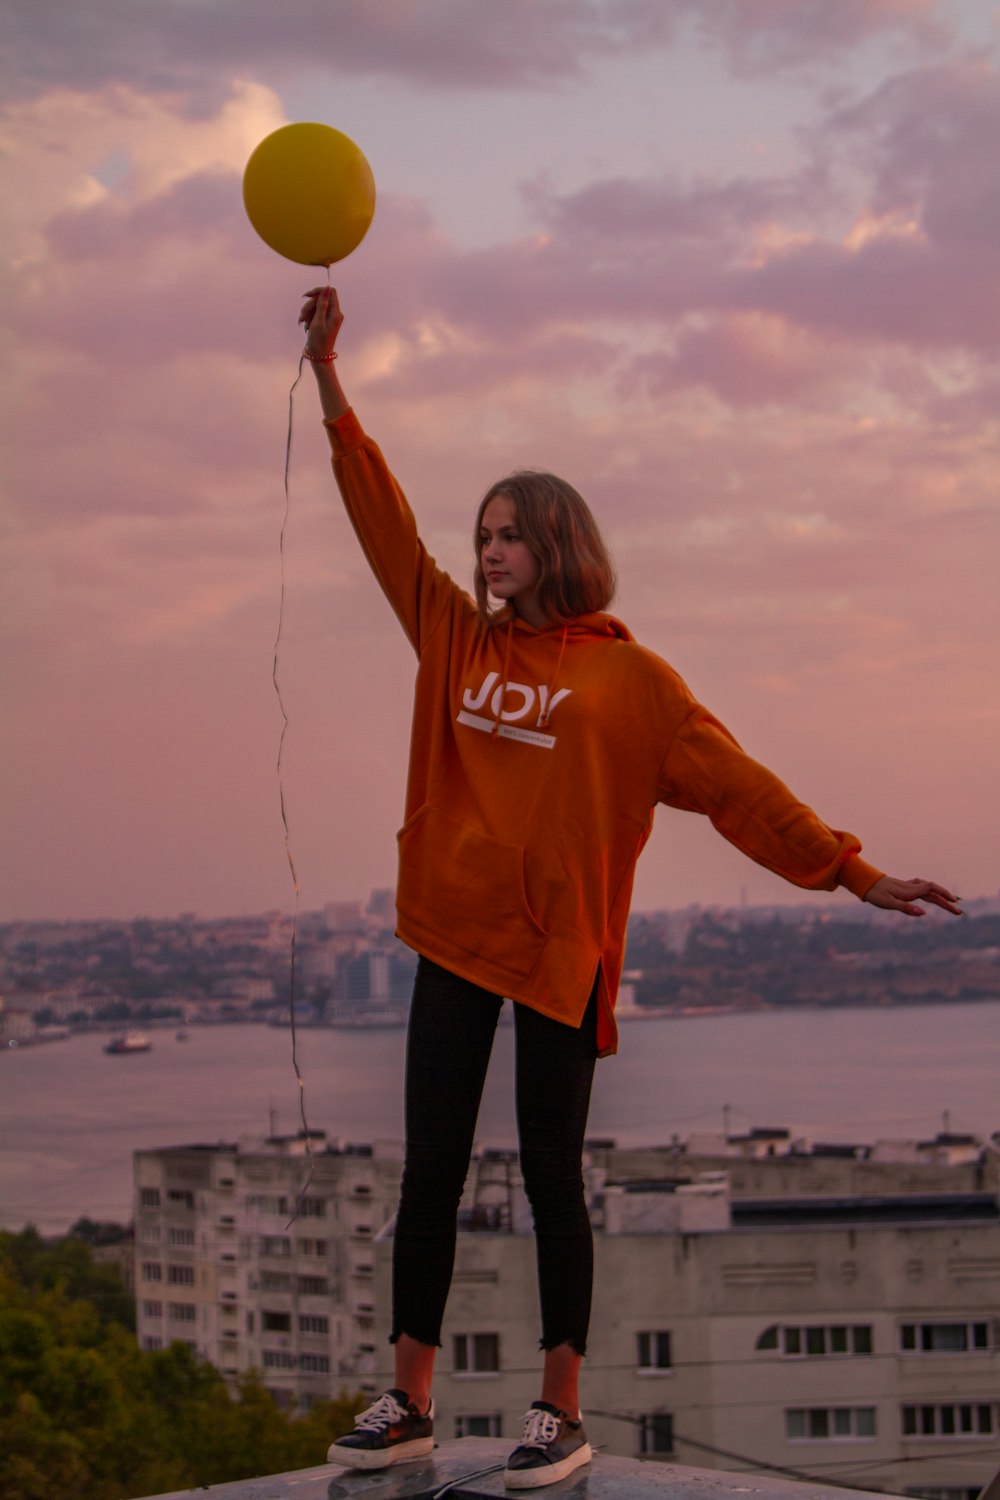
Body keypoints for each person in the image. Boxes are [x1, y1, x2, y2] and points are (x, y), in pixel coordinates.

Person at [299, 285, 962, 1488]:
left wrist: (850, 870)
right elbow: (380, 519)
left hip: (561, 948)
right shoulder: (456, 637)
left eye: (506, 532)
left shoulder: (632, 684)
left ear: (554, 543)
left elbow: (736, 784)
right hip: (454, 934)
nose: (484, 548)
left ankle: (559, 1411)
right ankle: (408, 1398)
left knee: (554, 1177)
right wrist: (333, 381)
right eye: (481, 531)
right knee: (432, 1172)